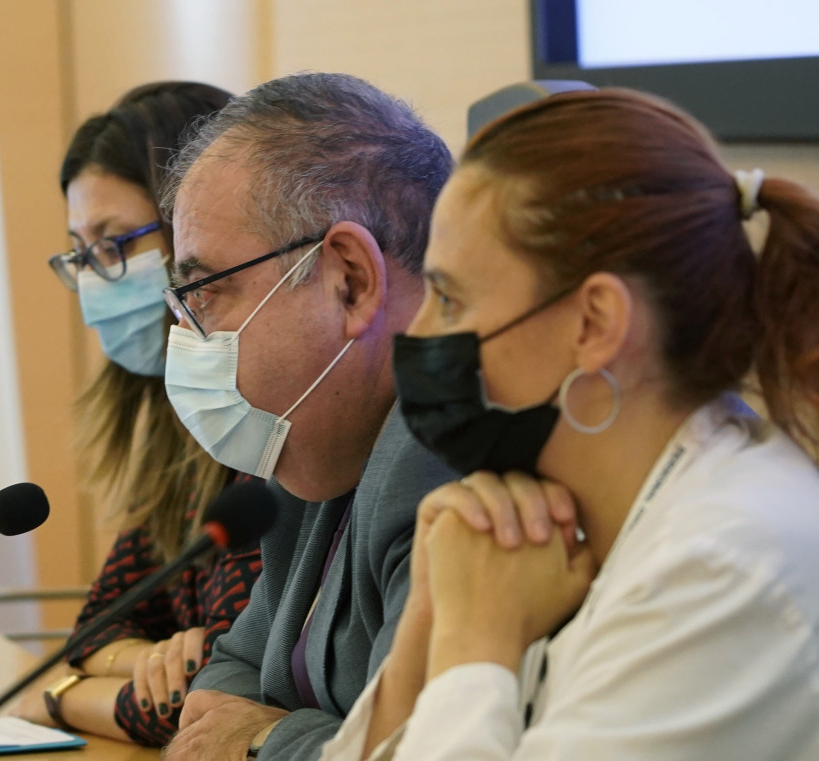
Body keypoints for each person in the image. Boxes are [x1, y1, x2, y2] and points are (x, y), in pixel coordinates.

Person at [321, 88, 819, 760]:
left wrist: (475, 644)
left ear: (593, 324)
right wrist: (426, 623)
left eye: (448, 297)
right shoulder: (551, 522)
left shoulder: (724, 567)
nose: (418, 332)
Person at [157, 72, 458, 761]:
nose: (186, 335)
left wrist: (264, 736)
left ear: (348, 279)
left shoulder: (440, 452)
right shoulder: (315, 453)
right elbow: (233, 667)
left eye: (204, 291)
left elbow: (429, 750)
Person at [10, 81, 262, 747]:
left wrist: (61, 699)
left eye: (116, 242)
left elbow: (214, 695)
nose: (95, 277)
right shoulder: (174, 429)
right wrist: (136, 659)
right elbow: (97, 626)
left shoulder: (266, 426)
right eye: (81, 252)